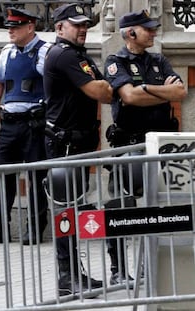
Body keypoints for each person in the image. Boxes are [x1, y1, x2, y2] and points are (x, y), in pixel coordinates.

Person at [104, 10, 187, 285]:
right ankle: (118, 270)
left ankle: (152, 264)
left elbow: (180, 93)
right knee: (121, 207)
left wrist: (144, 91)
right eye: (147, 29)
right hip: (128, 145)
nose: (152, 33)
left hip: (161, 146)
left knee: (160, 207)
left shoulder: (158, 59)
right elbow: (128, 96)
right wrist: (158, 91)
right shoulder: (116, 61)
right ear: (130, 33)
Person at [43, 3, 113, 295]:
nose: (83, 29)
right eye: (76, 25)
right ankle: (66, 276)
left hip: (77, 143)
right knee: (64, 211)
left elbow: (102, 88)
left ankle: (73, 273)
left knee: (72, 209)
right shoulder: (64, 55)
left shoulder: (78, 56)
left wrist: (105, 86)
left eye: (85, 24)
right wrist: (106, 86)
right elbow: (100, 91)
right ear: (60, 28)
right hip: (65, 145)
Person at [0, 7, 52, 245]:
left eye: (16, 27)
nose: (11, 31)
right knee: (3, 177)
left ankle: (35, 229)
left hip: (33, 125)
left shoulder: (44, 52)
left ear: (30, 28)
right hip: (9, 125)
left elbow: (55, 84)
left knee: (35, 178)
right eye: (9, 27)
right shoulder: (7, 52)